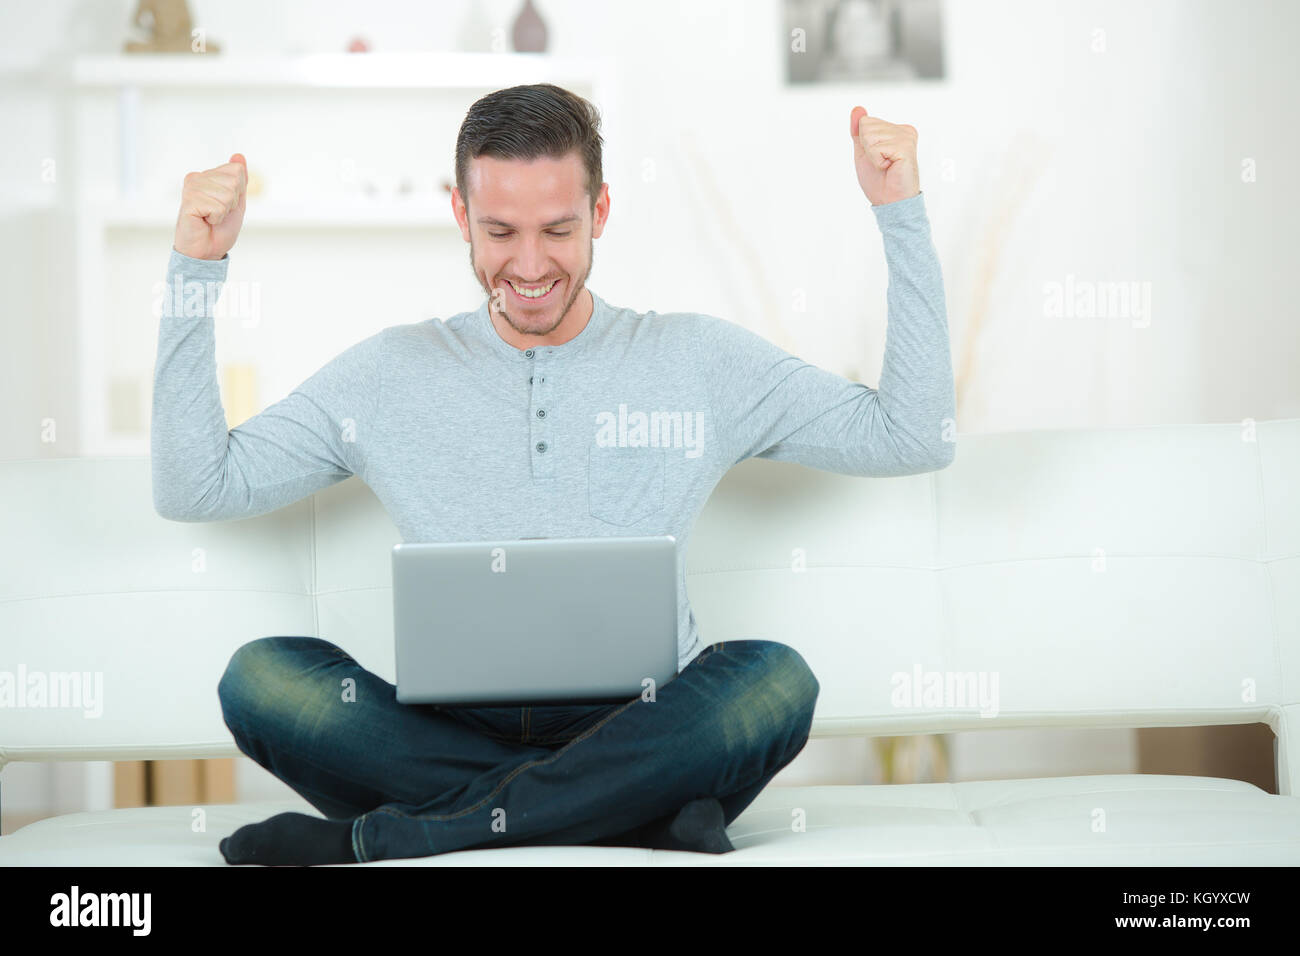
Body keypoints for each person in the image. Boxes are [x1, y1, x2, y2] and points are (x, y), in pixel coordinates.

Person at [152, 84, 955, 865]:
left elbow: (912, 435)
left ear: (601, 212)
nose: (529, 266)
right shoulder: (389, 373)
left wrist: (901, 214)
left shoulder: (698, 360)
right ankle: (633, 821)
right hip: (454, 737)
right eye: (499, 231)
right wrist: (196, 267)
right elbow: (198, 484)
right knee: (261, 680)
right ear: (460, 215)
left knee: (775, 683)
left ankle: (394, 839)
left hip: (648, 727)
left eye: (558, 230)